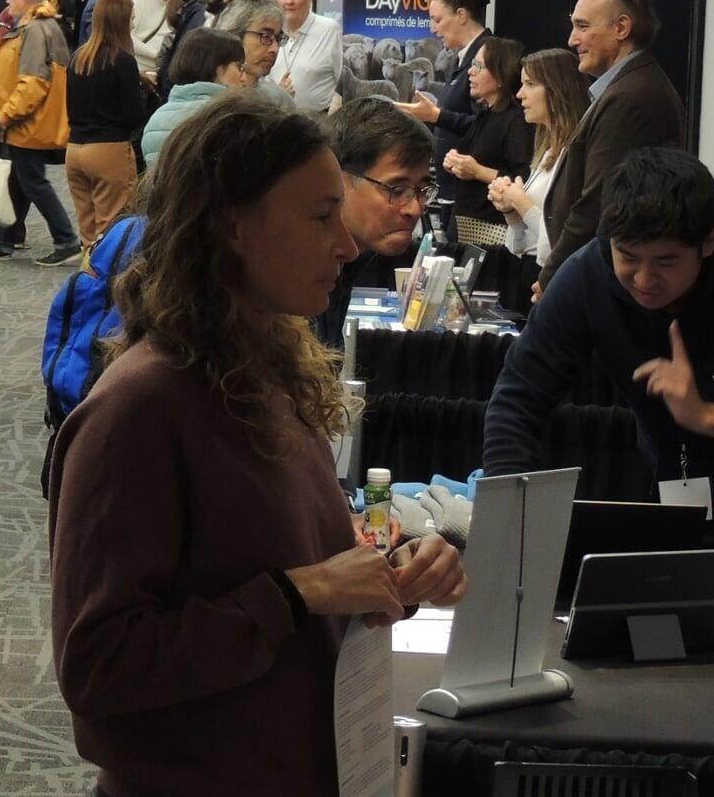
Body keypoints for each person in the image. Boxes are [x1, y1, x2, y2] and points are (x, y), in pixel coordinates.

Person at [49, 89, 467, 794]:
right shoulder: (139, 410)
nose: (345, 242)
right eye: (320, 216)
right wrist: (300, 592)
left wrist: (388, 579)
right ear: (232, 226)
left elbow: (286, 577)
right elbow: (98, 667)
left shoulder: (266, 373)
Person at [483, 149, 714, 708]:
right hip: (683, 505)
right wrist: (510, 513)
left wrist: (706, 416)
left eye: (666, 261)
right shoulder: (591, 274)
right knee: (687, 683)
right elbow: (518, 398)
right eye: (629, 257)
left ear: (708, 241)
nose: (644, 280)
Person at [536, 0, 685, 293]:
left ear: (621, 28)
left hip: (595, 285)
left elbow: (599, 203)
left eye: (583, 26)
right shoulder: (625, 88)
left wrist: (554, 279)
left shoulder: (631, 98)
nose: (572, 39)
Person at [0, 0, 81, 267]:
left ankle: (67, 240)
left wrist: (7, 114)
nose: (7, 0)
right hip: (29, 120)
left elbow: (33, 82)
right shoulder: (40, 26)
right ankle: (2, 241)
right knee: (19, 181)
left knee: (32, 181)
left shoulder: (35, 29)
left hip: (27, 121)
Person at [313, 97, 438, 347]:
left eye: (423, 189)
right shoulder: (300, 274)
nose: (415, 209)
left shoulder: (346, 263)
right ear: (338, 179)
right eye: (396, 188)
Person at [141, 11, 290, 165]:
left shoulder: (157, 118)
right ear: (217, 66)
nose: (244, 77)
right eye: (239, 67)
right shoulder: (230, 119)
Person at [489, 49, 591, 266]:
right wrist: (511, 210)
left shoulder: (575, 154)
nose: (520, 94)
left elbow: (562, 239)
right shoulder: (547, 151)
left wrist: (520, 201)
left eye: (531, 84)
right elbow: (524, 242)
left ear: (558, 89)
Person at [395, 0, 492, 205]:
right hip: (453, 190)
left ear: (461, 15)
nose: (432, 29)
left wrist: (436, 116)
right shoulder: (462, 57)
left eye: (437, 19)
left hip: (470, 197)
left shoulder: (486, 56)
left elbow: (488, 127)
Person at [65, 0, 146, 247]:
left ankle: (87, 279)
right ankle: (107, 284)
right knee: (112, 227)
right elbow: (134, 115)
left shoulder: (78, 57)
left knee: (87, 232)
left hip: (75, 149)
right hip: (109, 150)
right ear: (121, 20)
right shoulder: (123, 61)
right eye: (131, 17)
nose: (133, 22)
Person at [441, 36, 535, 247]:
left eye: (479, 66)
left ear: (501, 74)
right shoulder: (486, 114)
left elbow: (523, 179)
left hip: (491, 237)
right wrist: (455, 163)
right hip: (465, 228)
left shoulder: (517, 121)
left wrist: (477, 171)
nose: (470, 72)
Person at [269, 0, 344, 114]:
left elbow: (343, 83)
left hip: (319, 123)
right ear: (277, 0)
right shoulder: (272, 31)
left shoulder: (330, 30)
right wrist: (278, 94)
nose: (290, 1)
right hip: (277, 119)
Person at [130, 0, 176, 77]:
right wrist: (156, 54)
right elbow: (127, 37)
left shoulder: (175, 7)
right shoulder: (137, 3)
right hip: (139, 69)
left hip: (162, 71)